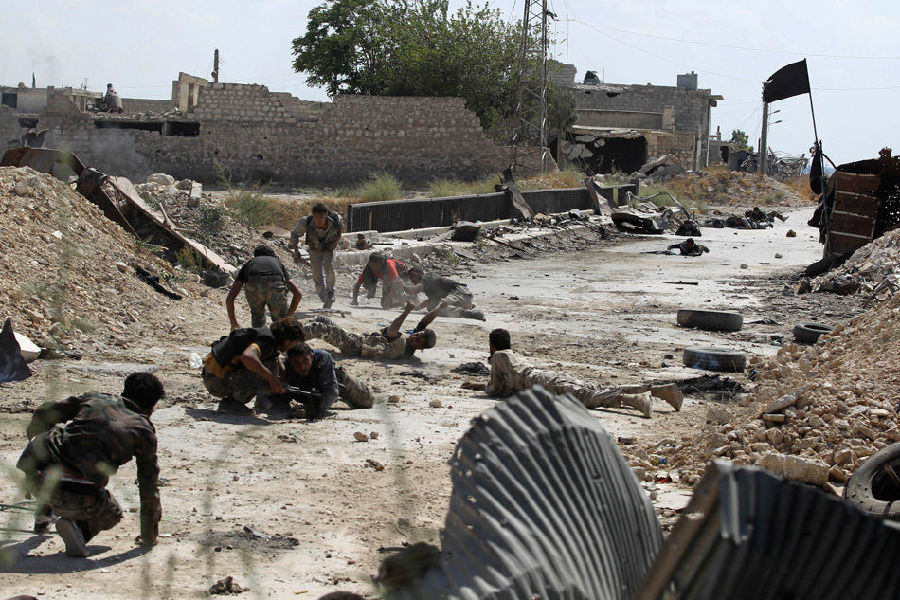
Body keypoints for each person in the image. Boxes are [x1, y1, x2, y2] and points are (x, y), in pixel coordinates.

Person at [15, 373, 165, 557]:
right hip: (77, 493)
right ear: (151, 407)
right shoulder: (144, 431)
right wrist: (149, 535)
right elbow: (148, 486)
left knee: (56, 441)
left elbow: (45, 412)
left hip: (37, 473)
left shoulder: (95, 398)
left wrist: (33, 442)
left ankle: (44, 509)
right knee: (113, 512)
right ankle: (79, 529)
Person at [462, 329, 683, 419]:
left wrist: (480, 387)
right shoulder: (513, 355)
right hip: (549, 378)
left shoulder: (500, 357)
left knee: (590, 398)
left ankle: (635, 399)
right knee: (594, 390)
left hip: (546, 385)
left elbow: (499, 390)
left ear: (493, 345)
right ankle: (658, 391)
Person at [202, 317, 306, 413]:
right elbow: (247, 357)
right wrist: (272, 379)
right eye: (294, 343)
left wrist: (283, 379)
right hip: (217, 382)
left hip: (213, 376)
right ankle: (233, 403)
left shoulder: (269, 340)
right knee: (266, 367)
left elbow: (275, 358)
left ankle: (264, 400)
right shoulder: (267, 341)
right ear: (287, 341)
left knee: (271, 364)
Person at [304, 300, 447, 360]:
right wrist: (439, 309)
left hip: (353, 347)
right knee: (321, 319)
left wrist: (406, 312)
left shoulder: (403, 345)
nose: (415, 335)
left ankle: (289, 339)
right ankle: (296, 336)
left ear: (420, 347)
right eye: (417, 334)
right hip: (356, 339)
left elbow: (392, 330)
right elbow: (424, 322)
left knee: (319, 327)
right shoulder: (411, 341)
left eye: (418, 339)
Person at [277, 343, 374, 419]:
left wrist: (314, 411)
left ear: (311, 356)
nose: (302, 367)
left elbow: (332, 392)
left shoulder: (322, 358)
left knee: (367, 402)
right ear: (290, 361)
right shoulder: (284, 367)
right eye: (296, 363)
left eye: (305, 361)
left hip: (337, 382)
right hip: (311, 388)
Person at [227, 245, 301, 329]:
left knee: (258, 324)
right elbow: (298, 294)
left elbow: (230, 299)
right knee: (282, 327)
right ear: (272, 256)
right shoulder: (277, 263)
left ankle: (260, 335)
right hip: (275, 286)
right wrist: (287, 318)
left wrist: (234, 324)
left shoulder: (249, 264)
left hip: (254, 287)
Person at [290, 203, 343, 308]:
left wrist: (335, 242)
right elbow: (294, 233)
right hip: (315, 248)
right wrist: (296, 251)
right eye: (316, 217)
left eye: (321, 217)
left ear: (326, 216)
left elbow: (340, 230)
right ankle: (324, 298)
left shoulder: (336, 220)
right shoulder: (305, 222)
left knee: (329, 267)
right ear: (313, 215)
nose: (318, 220)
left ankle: (330, 291)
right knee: (316, 274)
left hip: (329, 248)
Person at [404, 267, 484, 320]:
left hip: (460, 293)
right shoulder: (429, 287)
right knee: (432, 307)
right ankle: (465, 309)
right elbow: (427, 302)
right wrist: (412, 308)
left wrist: (400, 284)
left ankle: (471, 313)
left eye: (412, 275)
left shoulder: (427, 277)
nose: (411, 279)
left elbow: (413, 290)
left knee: (438, 307)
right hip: (462, 299)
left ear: (419, 273)